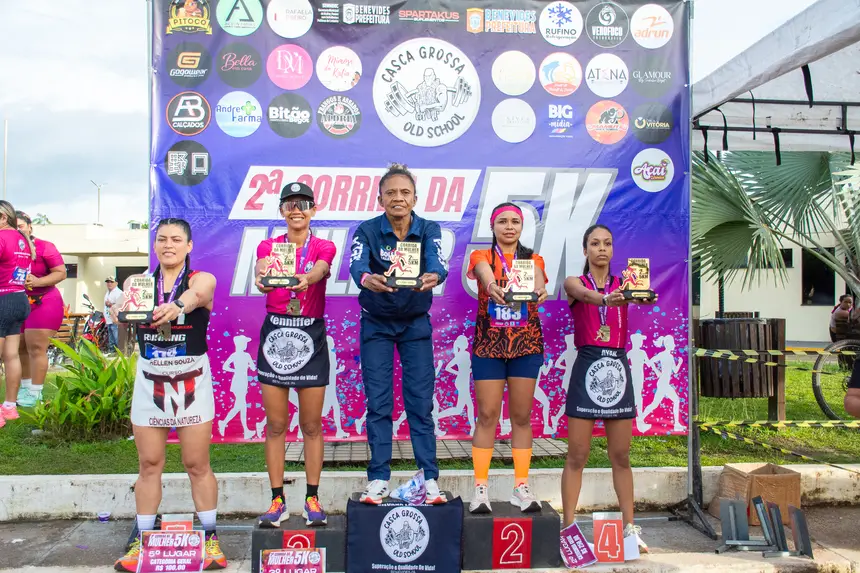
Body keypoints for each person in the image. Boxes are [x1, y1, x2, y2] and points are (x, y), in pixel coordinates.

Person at [112, 218, 226, 572]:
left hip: (191, 381)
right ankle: (141, 540)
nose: (168, 245)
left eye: (177, 239)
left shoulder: (200, 279)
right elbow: (124, 313)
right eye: (162, 239)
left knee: (196, 464)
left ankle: (210, 538)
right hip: (151, 382)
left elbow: (198, 295)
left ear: (189, 246)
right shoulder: (138, 283)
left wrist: (178, 306)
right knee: (149, 464)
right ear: (155, 245)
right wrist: (118, 312)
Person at [348, 163, 449, 505]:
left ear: (415, 199)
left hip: (415, 324)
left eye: (405, 192)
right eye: (390, 192)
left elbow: (438, 261)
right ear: (380, 199)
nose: (398, 198)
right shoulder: (367, 230)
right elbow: (357, 264)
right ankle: (378, 478)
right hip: (376, 324)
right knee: (378, 403)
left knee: (420, 403)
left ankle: (429, 478)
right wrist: (366, 279)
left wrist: (434, 275)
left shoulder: (428, 228)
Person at [560, 224, 654, 552]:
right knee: (577, 455)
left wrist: (641, 293)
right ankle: (568, 528)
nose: (602, 248)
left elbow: (643, 298)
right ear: (585, 249)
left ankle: (630, 529)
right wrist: (606, 299)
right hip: (587, 365)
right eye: (595, 243)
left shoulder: (625, 284)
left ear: (613, 250)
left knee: (621, 455)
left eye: (607, 243)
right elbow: (586, 296)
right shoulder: (574, 282)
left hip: (617, 366)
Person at [254, 182, 337, 528]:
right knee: (276, 425)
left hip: (310, 333)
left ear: (313, 210)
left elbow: (321, 268)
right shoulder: (269, 245)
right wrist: (261, 278)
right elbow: (261, 270)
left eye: (303, 204)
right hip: (276, 332)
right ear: (281, 211)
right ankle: (277, 501)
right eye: (289, 204)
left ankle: (312, 499)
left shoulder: (324, 245)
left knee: (311, 425)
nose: (296, 210)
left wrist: (307, 278)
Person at [466, 202, 548, 514]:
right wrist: (491, 286)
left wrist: (539, 290)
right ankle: (480, 488)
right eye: (503, 221)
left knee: (522, 416)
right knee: (487, 414)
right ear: (493, 226)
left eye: (515, 221)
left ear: (522, 227)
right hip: (489, 345)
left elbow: (538, 279)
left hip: (526, 344)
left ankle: (520, 486)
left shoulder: (533, 259)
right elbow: (484, 274)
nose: (509, 226)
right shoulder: (481, 256)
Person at [13, 212, 66, 407]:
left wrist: (37, 281)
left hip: (44, 301)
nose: (17, 230)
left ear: (29, 227)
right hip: (17, 302)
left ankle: (36, 392)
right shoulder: (6, 248)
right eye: (13, 227)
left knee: (36, 347)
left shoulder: (45, 247)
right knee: (19, 347)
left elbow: (61, 273)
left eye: (20, 226)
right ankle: (26, 389)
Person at [0, 201, 35, 428]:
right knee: (11, 356)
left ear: (3, 217)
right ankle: (10, 407)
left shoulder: (2, 237)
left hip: (2, 297)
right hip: (19, 298)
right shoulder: (22, 239)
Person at [104, 276, 124, 351]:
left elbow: (121, 305)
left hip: (115, 319)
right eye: (108, 282)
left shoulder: (119, 292)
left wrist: (111, 304)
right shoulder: (107, 293)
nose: (109, 283)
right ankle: (112, 351)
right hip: (109, 319)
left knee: (116, 337)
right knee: (111, 338)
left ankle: (120, 352)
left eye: (111, 282)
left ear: (116, 283)